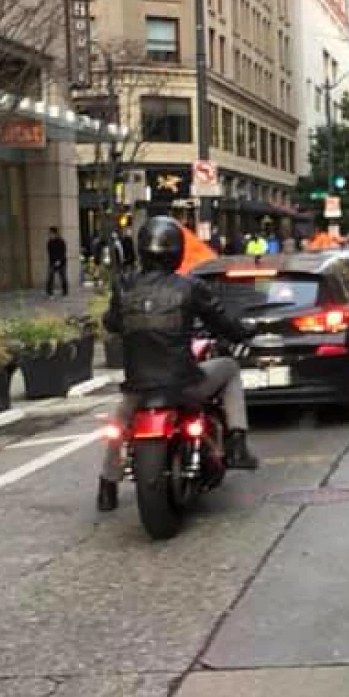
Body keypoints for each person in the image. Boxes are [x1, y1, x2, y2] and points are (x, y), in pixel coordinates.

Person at [97, 216, 259, 512]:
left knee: (120, 422)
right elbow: (221, 321)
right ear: (177, 250)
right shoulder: (189, 287)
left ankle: (107, 487)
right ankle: (237, 442)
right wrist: (245, 331)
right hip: (183, 382)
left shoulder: (125, 286)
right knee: (230, 369)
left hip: (139, 386)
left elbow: (111, 323)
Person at [45, 226, 69, 296]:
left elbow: (63, 252)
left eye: (51, 233)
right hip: (52, 262)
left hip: (62, 262)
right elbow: (50, 253)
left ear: (55, 233)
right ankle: (49, 292)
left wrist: (59, 261)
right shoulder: (49, 243)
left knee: (63, 276)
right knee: (50, 276)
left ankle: (65, 291)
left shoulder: (61, 242)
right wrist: (53, 262)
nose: (50, 235)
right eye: (49, 234)